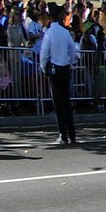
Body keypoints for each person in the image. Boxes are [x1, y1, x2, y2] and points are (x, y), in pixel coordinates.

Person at [36, 10, 79, 147]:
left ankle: (63, 134)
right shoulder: (65, 32)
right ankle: (72, 133)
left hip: (55, 68)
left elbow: (44, 53)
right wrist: (70, 63)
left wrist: (44, 68)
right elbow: (72, 50)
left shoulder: (49, 33)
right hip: (65, 68)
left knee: (58, 103)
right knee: (66, 102)